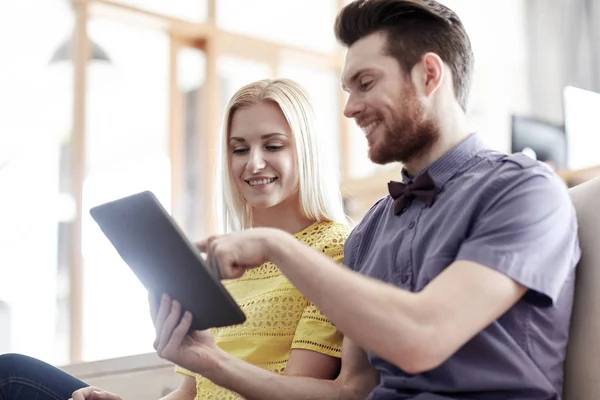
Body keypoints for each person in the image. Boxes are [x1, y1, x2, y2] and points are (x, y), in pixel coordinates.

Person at [151, 1, 581, 399]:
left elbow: (423, 337)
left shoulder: (523, 190)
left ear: (429, 75)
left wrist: (275, 245)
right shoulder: (372, 230)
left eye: (365, 83)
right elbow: (350, 392)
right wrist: (210, 362)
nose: (350, 108)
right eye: (347, 89)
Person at [0, 78, 351, 400]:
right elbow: (190, 392)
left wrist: (212, 361)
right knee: (12, 371)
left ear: (306, 151)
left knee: (11, 379)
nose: (254, 164)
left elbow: (296, 391)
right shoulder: (226, 258)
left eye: (274, 146)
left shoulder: (333, 248)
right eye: (239, 149)